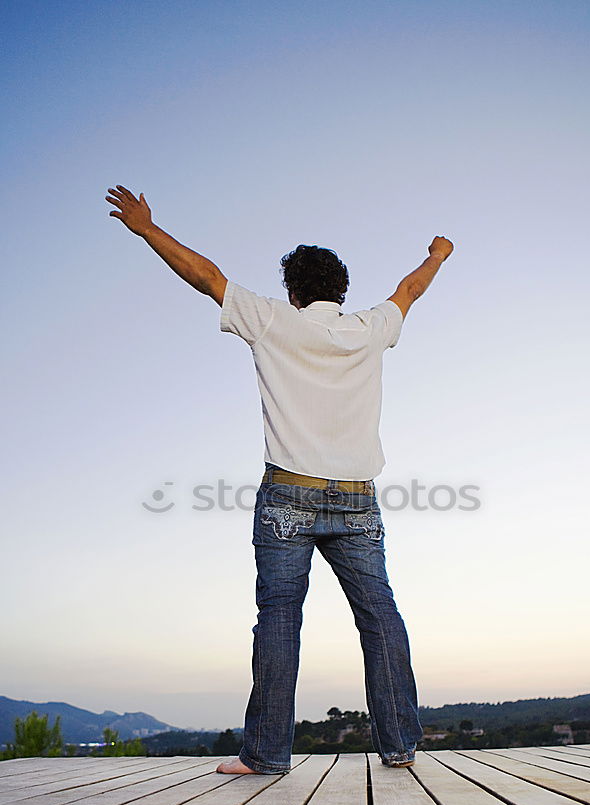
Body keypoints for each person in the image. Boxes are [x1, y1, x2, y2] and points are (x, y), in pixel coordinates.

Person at [105, 184, 454, 775]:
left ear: (292, 292)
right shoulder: (370, 328)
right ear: (339, 291)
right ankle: (399, 744)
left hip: (287, 496)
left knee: (279, 618)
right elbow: (410, 289)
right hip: (357, 502)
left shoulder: (272, 320)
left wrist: (146, 229)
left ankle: (267, 753)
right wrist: (438, 255)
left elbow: (206, 277)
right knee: (380, 617)